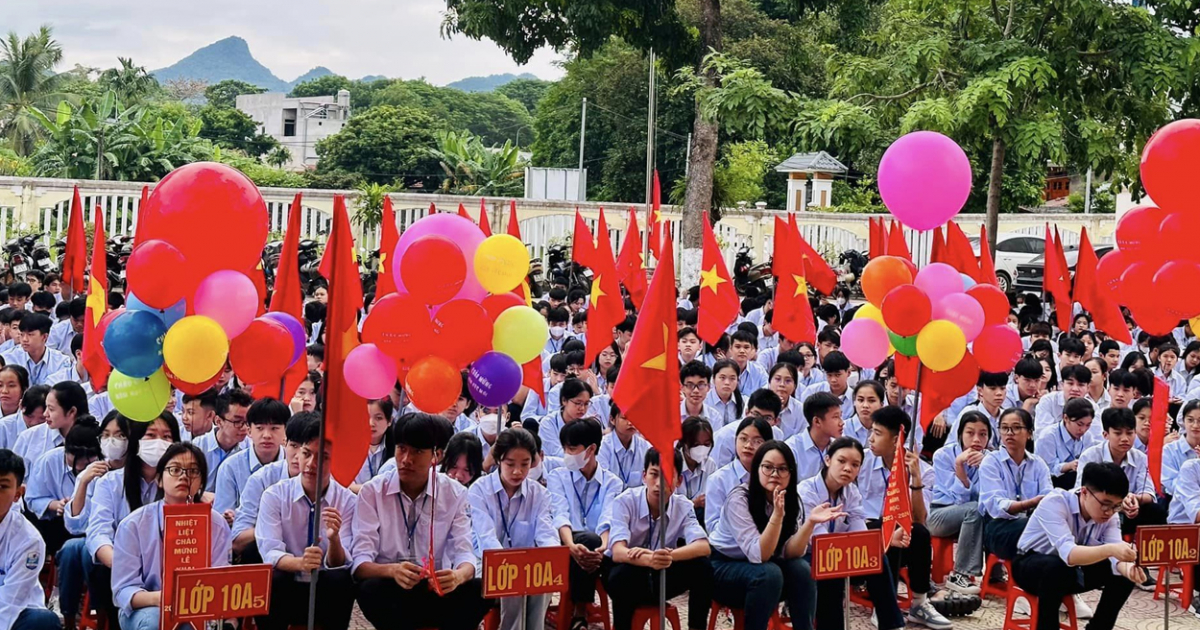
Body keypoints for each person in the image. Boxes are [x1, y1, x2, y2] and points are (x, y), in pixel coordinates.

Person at [351, 413, 489, 630]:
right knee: (370, 589)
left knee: (480, 589)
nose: (406, 459)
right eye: (401, 449)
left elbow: (464, 552)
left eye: (417, 451)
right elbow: (360, 562)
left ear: (437, 455)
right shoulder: (373, 492)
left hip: (435, 588)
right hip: (393, 589)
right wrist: (392, 570)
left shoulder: (455, 494)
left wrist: (457, 576)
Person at [708, 440, 842, 630]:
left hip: (766, 570)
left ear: (791, 473)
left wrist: (810, 523)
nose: (774, 474)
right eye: (768, 467)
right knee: (770, 573)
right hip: (724, 567)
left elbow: (790, 553)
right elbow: (759, 554)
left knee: (801, 569)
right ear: (757, 469)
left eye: (782, 469)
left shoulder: (792, 499)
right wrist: (777, 517)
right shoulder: (739, 499)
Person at [111, 442, 233, 630]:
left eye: (193, 471)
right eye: (175, 470)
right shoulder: (133, 524)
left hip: (198, 608)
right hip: (147, 607)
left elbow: (219, 580)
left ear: (201, 482)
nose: (184, 477)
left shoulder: (216, 524)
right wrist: (162, 598)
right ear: (159, 479)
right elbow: (122, 590)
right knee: (157, 621)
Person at [255, 414, 357, 630]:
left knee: (341, 579)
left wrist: (334, 539)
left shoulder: (347, 501)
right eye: (307, 454)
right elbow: (270, 551)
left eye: (323, 457)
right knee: (273, 577)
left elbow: (344, 562)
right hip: (288, 586)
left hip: (324, 590)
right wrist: (300, 563)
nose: (312, 464)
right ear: (297, 454)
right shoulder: (274, 495)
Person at [1013, 462, 1143, 630]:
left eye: (1116, 506)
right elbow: (1070, 555)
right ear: (1084, 492)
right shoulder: (1055, 502)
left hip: (1071, 570)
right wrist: (1112, 550)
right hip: (1030, 566)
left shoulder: (1111, 514)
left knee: (1124, 576)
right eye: (1105, 503)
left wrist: (1129, 569)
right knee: (1056, 568)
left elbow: (1114, 551)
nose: (1109, 512)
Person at [857, 407, 951, 630]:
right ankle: (885, 606)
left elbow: (920, 519)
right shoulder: (862, 461)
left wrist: (915, 479)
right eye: (872, 431)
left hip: (901, 532)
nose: (871, 438)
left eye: (878, 433)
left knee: (917, 532)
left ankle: (919, 603)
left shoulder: (923, 471)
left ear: (896, 439)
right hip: (865, 529)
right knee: (885, 528)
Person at [800, 437, 904, 630]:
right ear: (828, 460)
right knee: (832, 569)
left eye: (855, 465)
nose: (848, 468)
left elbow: (860, 534)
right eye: (842, 461)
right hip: (806, 555)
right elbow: (819, 540)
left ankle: (891, 624)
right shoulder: (806, 491)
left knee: (876, 556)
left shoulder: (852, 491)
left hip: (838, 551)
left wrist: (882, 541)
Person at [85, 412, 178, 627]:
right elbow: (99, 533)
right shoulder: (110, 483)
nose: (159, 443)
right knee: (99, 569)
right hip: (122, 568)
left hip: (169, 570)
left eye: (166, 437)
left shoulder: (180, 483)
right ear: (136, 441)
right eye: (151, 435)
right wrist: (124, 564)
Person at [604, 448, 713, 630]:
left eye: (668, 476)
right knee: (621, 575)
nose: (659, 483)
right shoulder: (625, 501)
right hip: (629, 571)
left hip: (662, 571)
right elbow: (618, 551)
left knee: (703, 567)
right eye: (654, 474)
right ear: (644, 476)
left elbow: (703, 546)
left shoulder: (683, 506)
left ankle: (696, 627)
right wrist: (648, 558)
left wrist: (669, 556)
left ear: (678, 481)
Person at [468, 428, 558, 630]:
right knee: (514, 578)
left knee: (539, 577)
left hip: (524, 564)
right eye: (510, 464)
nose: (518, 471)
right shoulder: (479, 490)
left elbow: (545, 531)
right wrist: (510, 564)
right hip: (485, 562)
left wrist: (552, 555)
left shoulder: (539, 494)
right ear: (499, 460)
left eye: (525, 464)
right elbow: (485, 537)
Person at [545, 417, 621, 629]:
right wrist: (570, 546)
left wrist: (602, 547)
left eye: (572, 449)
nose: (567, 455)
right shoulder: (557, 476)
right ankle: (579, 613)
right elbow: (560, 514)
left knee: (594, 543)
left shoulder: (611, 482)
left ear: (591, 449)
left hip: (599, 549)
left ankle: (581, 613)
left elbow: (609, 518)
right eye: (565, 449)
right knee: (585, 541)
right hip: (566, 543)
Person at [233, 411, 311, 562]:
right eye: (294, 446)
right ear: (285, 442)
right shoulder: (261, 479)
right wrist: (271, 527)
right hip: (274, 563)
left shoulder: (328, 482)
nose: (298, 456)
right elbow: (237, 540)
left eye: (306, 450)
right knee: (253, 550)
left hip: (314, 559)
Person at [928, 411, 992, 595]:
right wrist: (959, 466)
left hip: (971, 517)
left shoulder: (990, 459)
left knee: (992, 514)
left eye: (983, 434)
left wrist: (986, 466)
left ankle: (994, 575)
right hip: (939, 514)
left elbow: (987, 497)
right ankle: (960, 575)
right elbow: (959, 499)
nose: (976, 439)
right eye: (970, 433)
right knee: (974, 510)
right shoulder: (943, 455)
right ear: (960, 434)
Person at [0, 448, 63, 630]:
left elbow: (10, 601)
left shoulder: (29, 540)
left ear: (18, 494)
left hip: (15, 613)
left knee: (44, 621)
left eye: (2, 487)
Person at [1075, 408, 1164, 536]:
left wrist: (1133, 499)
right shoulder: (1090, 456)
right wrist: (1118, 503)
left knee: (1155, 511)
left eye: (1129, 433)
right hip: (1101, 508)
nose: (1125, 439)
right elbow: (1080, 492)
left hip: (1132, 509)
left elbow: (1148, 494)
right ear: (1105, 435)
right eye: (1118, 433)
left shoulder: (1140, 458)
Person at [979, 408, 1052, 562]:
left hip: (1031, 521)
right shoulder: (991, 461)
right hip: (998, 528)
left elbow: (1048, 496)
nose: (1009, 433)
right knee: (1042, 529)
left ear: (1030, 433)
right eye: (1004, 428)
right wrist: (1028, 504)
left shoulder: (1038, 464)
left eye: (1016, 427)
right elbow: (995, 505)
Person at [215, 397, 288, 520]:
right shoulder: (230, 467)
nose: (266, 435)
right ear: (249, 430)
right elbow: (221, 518)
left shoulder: (294, 464)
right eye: (259, 428)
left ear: (286, 430)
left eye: (274, 428)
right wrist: (229, 517)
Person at [705, 417, 772, 533]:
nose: (748, 445)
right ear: (735, 440)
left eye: (757, 441)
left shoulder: (772, 476)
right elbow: (712, 526)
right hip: (729, 546)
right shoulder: (718, 479)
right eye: (743, 439)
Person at [13, 381, 86, 472]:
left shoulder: (95, 437)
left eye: (51, 409)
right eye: (46, 407)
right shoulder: (28, 437)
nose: (45, 414)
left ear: (72, 411)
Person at [1035, 397, 1100, 489]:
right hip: (1051, 485)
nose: (1083, 429)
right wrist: (1068, 466)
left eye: (1088, 425)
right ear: (1066, 418)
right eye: (1080, 424)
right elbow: (1045, 470)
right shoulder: (1048, 436)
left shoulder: (1087, 436)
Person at [194, 390, 252, 492]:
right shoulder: (198, 446)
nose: (244, 428)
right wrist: (200, 494)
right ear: (218, 421)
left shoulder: (250, 448)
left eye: (247, 422)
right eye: (237, 421)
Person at [711, 390, 783, 469]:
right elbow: (717, 471)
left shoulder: (778, 435)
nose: (760, 421)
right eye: (756, 414)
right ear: (746, 412)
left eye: (767, 418)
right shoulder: (726, 436)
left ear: (776, 421)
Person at [785, 392, 845, 479]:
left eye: (841, 416)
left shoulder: (839, 447)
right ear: (817, 421)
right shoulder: (792, 450)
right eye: (835, 417)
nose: (842, 423)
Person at [1, 313, 71, 386]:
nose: (24, 339)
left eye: (30, 335)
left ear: (44, 337)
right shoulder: (7, 358)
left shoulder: (61, 361)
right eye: (22, 334)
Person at [1034, 365, 1097, 436]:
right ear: (1062, 384)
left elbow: (1096, 438)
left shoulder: (1093, 407)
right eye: (1070, 383)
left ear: (1088, 388)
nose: (1075, 389)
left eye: (1081, 385)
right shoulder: (1048, 401)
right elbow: (1042, 433)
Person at [536, 378, 593, 457]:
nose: (582, 408)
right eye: (578, 403)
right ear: (564, 401)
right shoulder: (548, 423)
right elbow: (555, 453)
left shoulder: (590, 424)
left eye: (586, 403)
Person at [949, 372, 1007, 449]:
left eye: (1003, 388)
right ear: (980, 390)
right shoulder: (968, 413)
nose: (999, 393)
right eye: (992, 388)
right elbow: (952, 445)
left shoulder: (1006, 415)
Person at [676, 416, 716, 524]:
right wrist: (694, 503)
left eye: (706, 444)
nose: (702, 449)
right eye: (696, 445)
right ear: (684, 443)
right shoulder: (672, 463)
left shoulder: (710, 464)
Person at [352, 398, 395, 492]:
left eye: (378, 418)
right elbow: (344, 485)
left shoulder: (396, 447)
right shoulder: (349, 446)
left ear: (389, 421)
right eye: (366, 417)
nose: (371, 423)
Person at [1162, 399, 1200, 498]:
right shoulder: (1169, 450)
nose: (1195, 425)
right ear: (1183, 421)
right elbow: (1170, 484)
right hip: (1177, 502)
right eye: (1190, 420)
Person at [680, 361, 724, 431]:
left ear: (709, 387)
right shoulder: (670, 417)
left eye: (701, 385)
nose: (696, 390)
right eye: (690, 385)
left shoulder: (715, 417)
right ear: (682, 387)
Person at [0, 383, 44, 451]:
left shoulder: (55, 427)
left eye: (42, 419)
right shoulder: (3, 427)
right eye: (30, 416)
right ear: (20, 405)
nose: (34, 423)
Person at [767, 363, 805, 436]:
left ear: (795, 386)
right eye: (777, 379)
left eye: (788, 381)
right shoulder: (755, 403)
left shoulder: (800, 410)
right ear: (769, 382)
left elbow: (801, 438)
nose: (782, 384)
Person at [704, 360, 744, 430]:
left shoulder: (743, 402)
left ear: (738, 380)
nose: (727, 383)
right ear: (713, 379)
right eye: (722, 378)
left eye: (732, 378)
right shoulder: (704, 401)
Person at [845, 380, 885, 446]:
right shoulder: (843, 429)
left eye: (871, 401)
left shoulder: (886, 430)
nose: (865, 405)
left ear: (881, 404)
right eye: (860, 400)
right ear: (854, 402)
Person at [729, 330, 768, 395]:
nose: (742, 351)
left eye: (746, 347)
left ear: (752, 350)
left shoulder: (759, 371)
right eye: (737, 347)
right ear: (730, 349)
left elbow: (766, 392)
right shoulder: (722, 369)